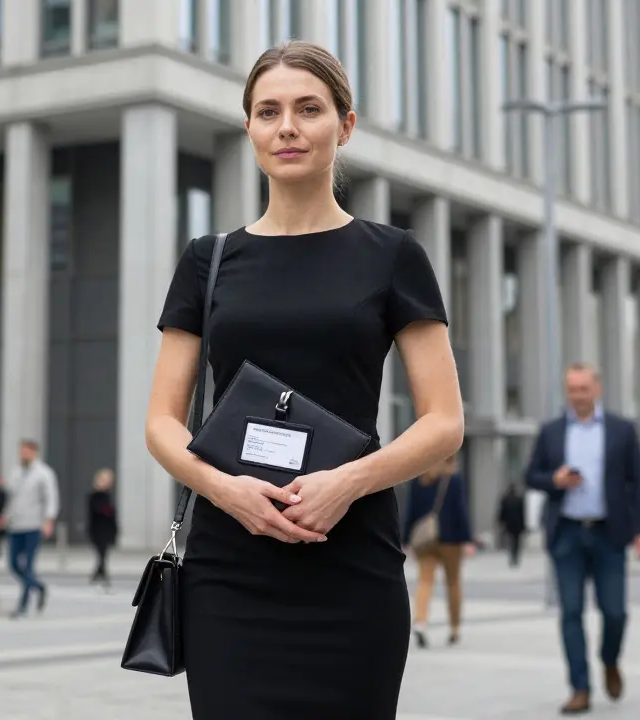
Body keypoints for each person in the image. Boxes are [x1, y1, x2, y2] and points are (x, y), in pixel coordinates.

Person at [145, 41, 464, 719]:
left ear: (345, 126)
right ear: (250, 128)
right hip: (231, 567)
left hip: (351, 563)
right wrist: (226, 492)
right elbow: (162, 423)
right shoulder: (209, 261)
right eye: (268, 111)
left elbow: (444, 422)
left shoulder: (393, 257)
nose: (286, 126)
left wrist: (346, 482)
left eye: (308, 109)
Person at [524, 362, 640, 715]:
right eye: (572, 390)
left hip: (608, 533)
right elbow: (531, 476)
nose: (578, 396)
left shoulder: (621, 430)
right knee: (570, 612)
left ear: (597, 389)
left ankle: (609, 659)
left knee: (615, 612)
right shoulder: (551, 431)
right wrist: (556, 479)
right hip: (566, 531)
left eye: (583, 389)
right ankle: (579, 688)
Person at [404, 454, 475, 648]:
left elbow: (411, 510)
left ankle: (420, 621)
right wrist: (468, 539)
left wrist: (405, 539)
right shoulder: (454, 479)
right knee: (453, 584)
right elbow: (461, 511)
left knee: (425, 581)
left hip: (425, 540)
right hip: (451, 539)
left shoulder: (420, 477)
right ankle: (454, 629)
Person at [0, 440, 59, 618]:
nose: (22, 455)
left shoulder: (44, 473)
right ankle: (39, 587)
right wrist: (5, 516)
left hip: (33, 526)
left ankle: (22, 606)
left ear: (34, 452)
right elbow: (11, 498)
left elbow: (51, 498)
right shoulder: (16, 473)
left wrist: (48, 521)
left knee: (28, 565)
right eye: (21, 452)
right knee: (14, 565)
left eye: (26, 452)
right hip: (16, 526)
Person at [86, 468, 118, 589]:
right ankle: (101, 573)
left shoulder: (107, 495)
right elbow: (97, 511)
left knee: (103, 553)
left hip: (107, 529)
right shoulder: (94, 496)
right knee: (101, 553)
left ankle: (99, 573)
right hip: (97, 529)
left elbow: (111, 514)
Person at [498, 482, 527, 568]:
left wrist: (501, 521)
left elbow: (502, 512)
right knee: (516, 541)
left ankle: (511, 556)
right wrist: (524, 525)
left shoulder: (505, 499)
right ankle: (515, 556)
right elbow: (522, 513)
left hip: (508, 523)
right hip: (517, 523)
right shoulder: (519, 499)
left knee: (510, 540)